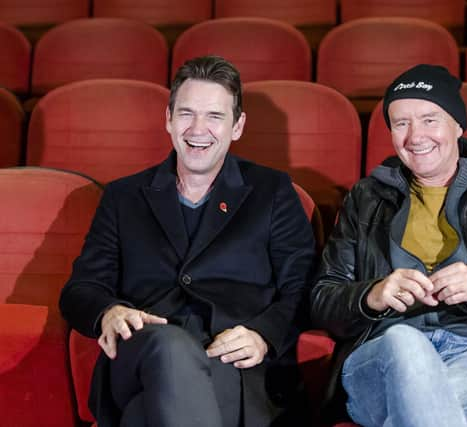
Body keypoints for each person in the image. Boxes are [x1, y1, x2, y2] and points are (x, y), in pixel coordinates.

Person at [59, 55, 316, 427]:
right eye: (186, 114)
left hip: (233, 363)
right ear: (168, 119)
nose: (198, 129)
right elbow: (80, 288)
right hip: (143, 352)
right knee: (169, 346)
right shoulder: (123, 197)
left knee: (142, 415)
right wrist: (108, 313)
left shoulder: (272, 191)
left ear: (237, 125)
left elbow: (305, 286)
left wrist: (264, 334)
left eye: (214, 116)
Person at [310, 64, 467, 427]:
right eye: (401, 123)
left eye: (430, 119)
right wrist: (373, 295)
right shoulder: (365, 198)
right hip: (381, 352)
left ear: (458, 126)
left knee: (433, 409)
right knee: (406, 344)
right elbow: (323, 300)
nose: (415, 136)